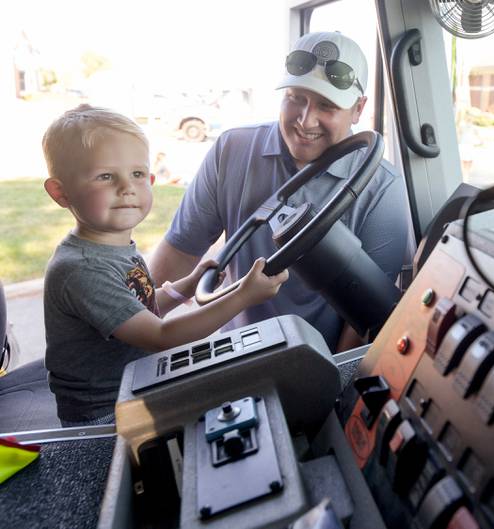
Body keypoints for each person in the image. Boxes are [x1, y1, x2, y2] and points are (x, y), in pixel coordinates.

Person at [149, 31, 411, 353]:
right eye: (296, 97)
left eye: (326, 105)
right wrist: (134, 319)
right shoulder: (232, 149)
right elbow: (180, 251)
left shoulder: (383, 188)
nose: (305, 120)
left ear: (358, 109)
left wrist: (333, 389)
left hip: (315, 363)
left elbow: (361, 319)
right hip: (231, 351)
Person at [41, 105, 289, 426]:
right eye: (105, 176)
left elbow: (138, 308)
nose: (126, 187)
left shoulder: (112, 247)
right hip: (104, 416)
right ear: (60, 192)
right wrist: (242, 297)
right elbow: (161, 336)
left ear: (151, 179)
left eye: (137, 174)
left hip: (137, 386)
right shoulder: (82, 269)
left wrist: (186, 284)